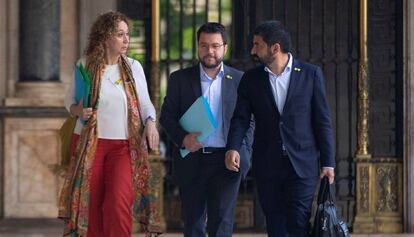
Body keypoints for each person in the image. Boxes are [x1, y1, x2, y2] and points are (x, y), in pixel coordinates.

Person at [225, 20, 335, 237]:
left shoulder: (310, 74)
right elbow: (240, 118)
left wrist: (328, 162)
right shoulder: (251, 79)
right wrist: (233, 147)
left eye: (258, 45)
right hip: (268, 164)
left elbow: (322, 121)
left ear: (275, 48)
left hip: (302, 164)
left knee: (298, 222)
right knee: (275, 225)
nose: (252, 50)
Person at [58, 11, 161, 237]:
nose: (126, 40)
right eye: (120, 34)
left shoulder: (134, 67)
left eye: (127, 34)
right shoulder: (84, 65)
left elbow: (145, 104)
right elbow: (69, 102)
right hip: (88, 144)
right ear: (105, 37)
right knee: (92, 207)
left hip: (124, 147)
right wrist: (78, 110)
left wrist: (151, 122)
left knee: (118, 203)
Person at [160, 22, 253, 237]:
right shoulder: (179, 79)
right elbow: (167, 116)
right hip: (193, 159)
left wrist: (240, 149)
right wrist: (183, 139)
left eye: (215, 46)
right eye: (204, 46)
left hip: (227, 159)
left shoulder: (239, 80)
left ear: (225, 48)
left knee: (221, 222)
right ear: (198, 47)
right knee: (193, 223)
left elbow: (249, 119)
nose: (209, 51)